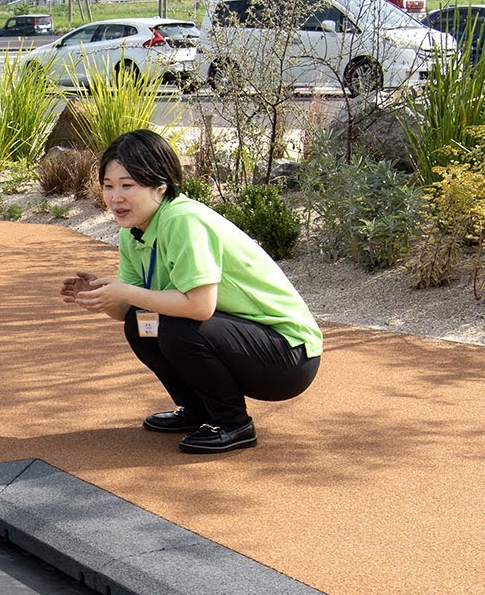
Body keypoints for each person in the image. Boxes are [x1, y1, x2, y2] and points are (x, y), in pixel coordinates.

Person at [61, 129, 322, 455]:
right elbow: (126, 311)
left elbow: (199, 307)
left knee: (173, 325)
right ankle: (199, 411)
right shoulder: (134, 232)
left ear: (160, 186)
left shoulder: (183, 220)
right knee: (140, 324)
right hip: (244, 340)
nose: (115, 197)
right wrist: (101, 295)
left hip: (287, 355)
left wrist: (126, 291)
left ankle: (233, 424)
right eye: (108, 186)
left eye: (128, 185)